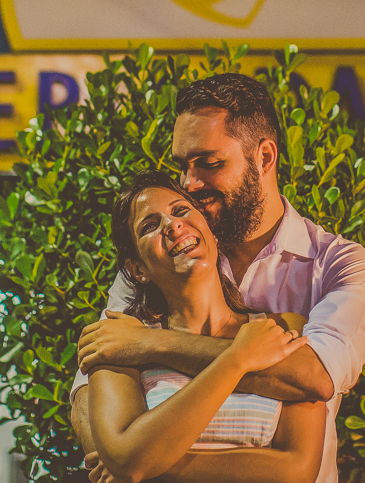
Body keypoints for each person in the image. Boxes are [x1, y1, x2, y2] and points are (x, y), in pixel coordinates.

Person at [72, 73, 365, 483]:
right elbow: (88, 391)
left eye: (210, 163)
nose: (189, 183)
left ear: (265, 157)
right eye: (183, 166)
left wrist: (151, 344)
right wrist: (121, 455)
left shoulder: (339, 264)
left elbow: (315, 377)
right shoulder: (166, 258)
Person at [87, 169, 326, 482]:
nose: (172, 225)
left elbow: (297, 471)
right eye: (150, 226)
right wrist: (237, 359)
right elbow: (129, 459)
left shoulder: (280, 327)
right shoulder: (119, 341)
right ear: (138, 269)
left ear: (211, 232)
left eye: (180, 210)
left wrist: (154, 460)